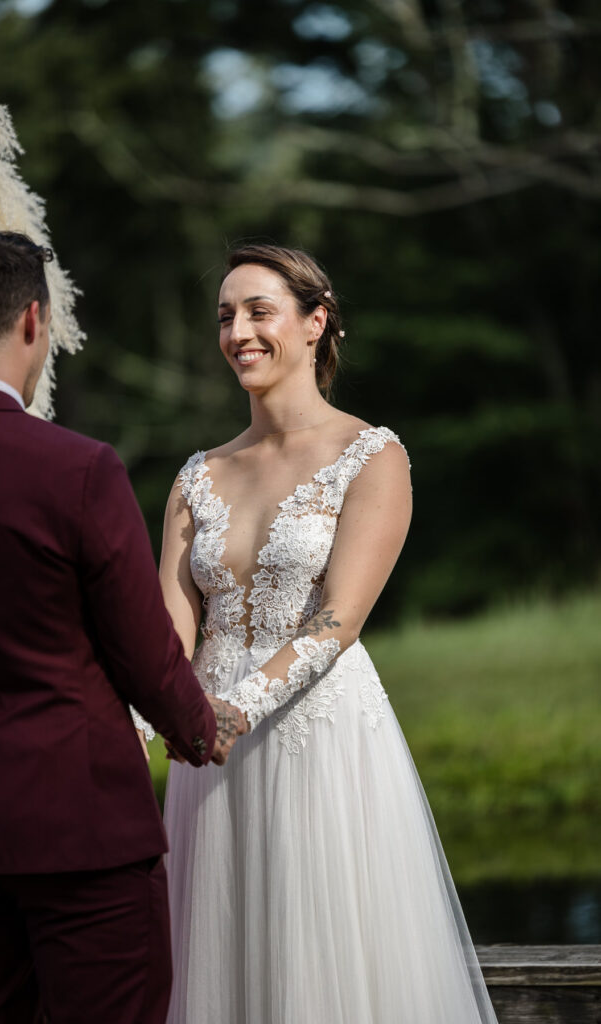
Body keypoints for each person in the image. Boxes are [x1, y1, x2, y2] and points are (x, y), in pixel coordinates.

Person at [157, 244, 499, 1023]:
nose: (237, 331)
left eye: (257, 311)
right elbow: (169, 631)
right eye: (224, 316)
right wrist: (140, 720)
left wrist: (236, 708)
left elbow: (339, 616)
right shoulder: (194, 476)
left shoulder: (369, 455)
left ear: (316, 323)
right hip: (205, 755)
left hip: (313, 740)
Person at [0, 231, 246, 1024]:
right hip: (80, 831)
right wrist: (197, 728)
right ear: (36, 320)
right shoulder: (78, 468)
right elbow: (139, 644)